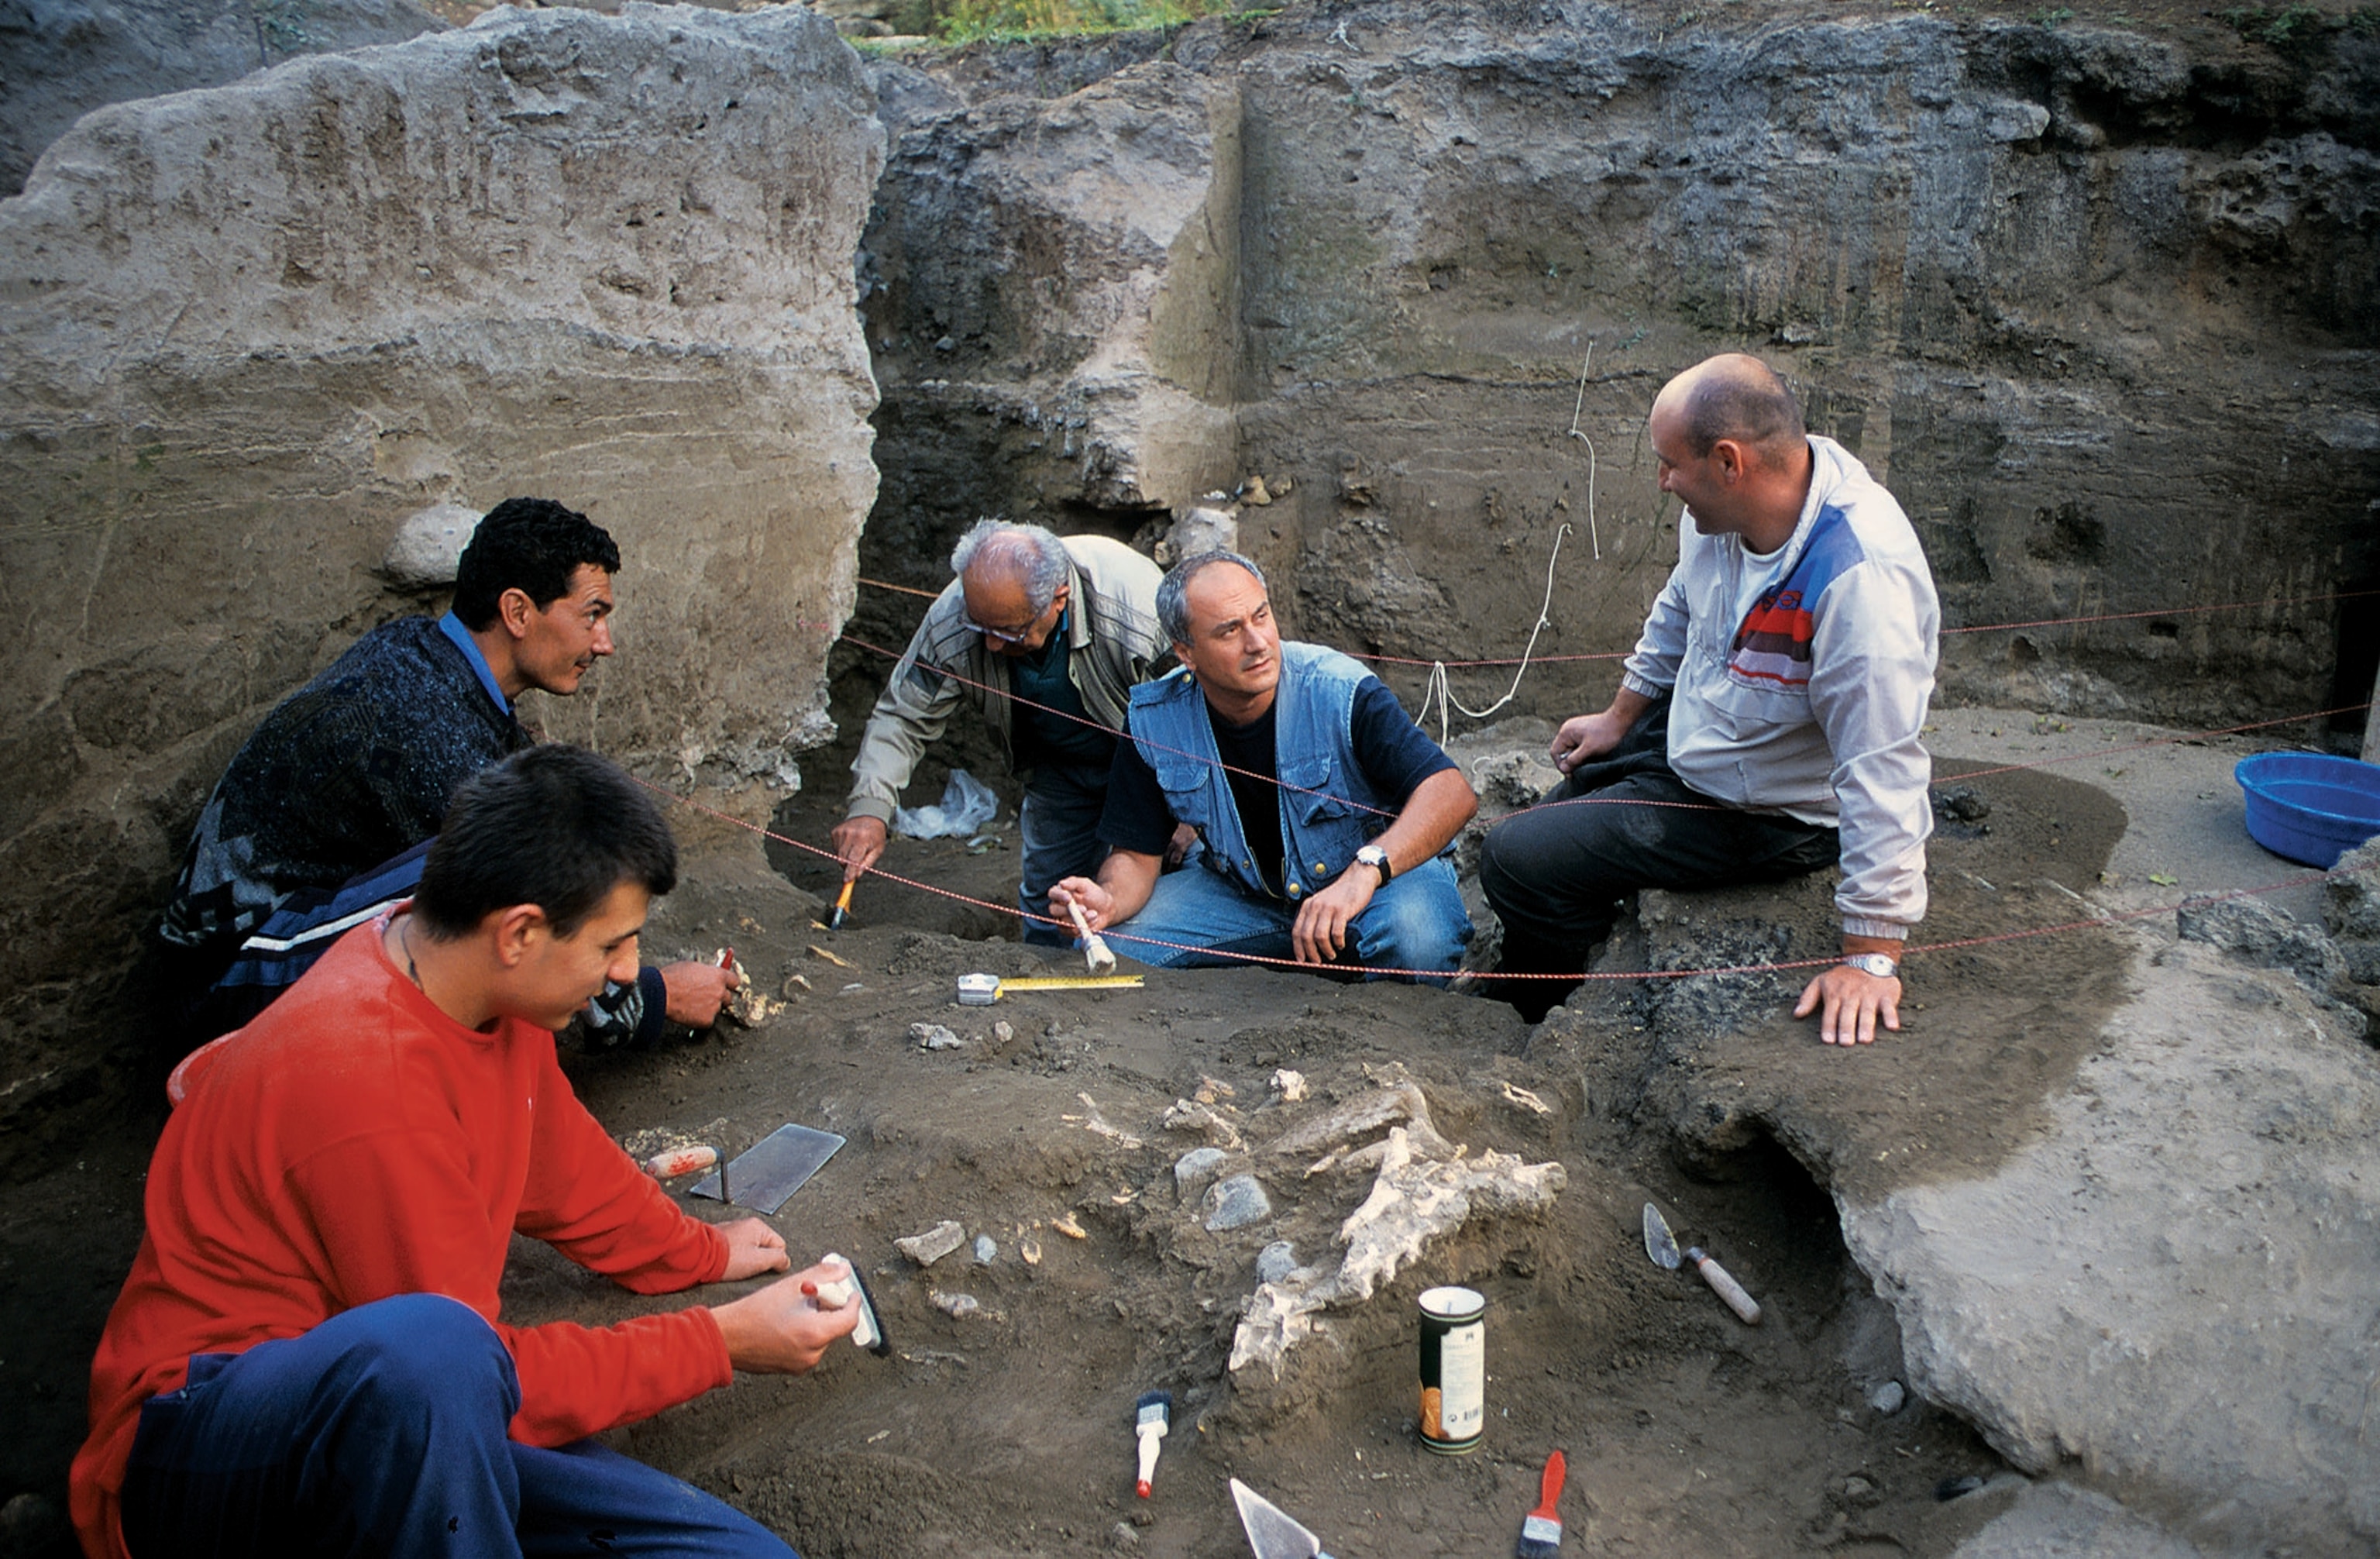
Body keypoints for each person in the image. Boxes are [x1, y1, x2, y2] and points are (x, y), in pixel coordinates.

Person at [71, 745, 857, 1559]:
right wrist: (718, 1339)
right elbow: (467, 1380)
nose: (629, 971)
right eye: (613, 945)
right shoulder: (369, 1086)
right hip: (209, 1450)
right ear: (517, 931)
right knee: (439, 1351)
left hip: (392, 1421)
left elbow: (565, 1168)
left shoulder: (477, 989)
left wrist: (696, 1249)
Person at [156, 497, 736, 1044]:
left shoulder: (422, 649)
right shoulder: (425, 728)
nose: (604, 643)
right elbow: (532, 886)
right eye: (592, 615)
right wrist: (655, 1000)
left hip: (259, 946)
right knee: (496, 898)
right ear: (516, 611)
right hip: (223, 990)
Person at [1479, 353, 1939, 1041]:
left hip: (1774, 809)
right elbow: (1680, 609)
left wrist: (1871, 956)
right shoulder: (1719, 516)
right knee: (1550, 820)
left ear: (1729, 462)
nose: (1663, 482)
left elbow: (1883, 766)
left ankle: (1559, 1017)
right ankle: (1529, 972)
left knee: (1516, 861)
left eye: (1669, 463)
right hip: (1716, 733)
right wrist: (1620, 716)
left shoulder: (1858, 581)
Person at [1049, 552, 1477, 979]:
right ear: (1186, 653)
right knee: (1117, 944)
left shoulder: (1338, 690)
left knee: (1417, 938)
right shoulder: (1154, 719)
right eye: (1230, 631)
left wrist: (1364, 873)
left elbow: (1451, 791)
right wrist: (1107, 900)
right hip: (1248, 897)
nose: (1256, 643)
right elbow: (1136, 856)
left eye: (1260, 617)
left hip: (1379, 886)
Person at [831, 520, 1174, 942]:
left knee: (1168, 884)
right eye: (982, 631)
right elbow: (903, 715)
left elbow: (1195, 711)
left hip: (1152, 765)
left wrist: (1186, 808)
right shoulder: (958, 616)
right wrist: (870, 808)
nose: (991, 647)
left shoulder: (1135, 610)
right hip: (1058, 769)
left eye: (1009, 633)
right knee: (1053, 904)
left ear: (1058, 600)